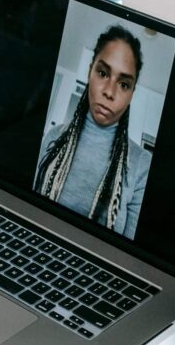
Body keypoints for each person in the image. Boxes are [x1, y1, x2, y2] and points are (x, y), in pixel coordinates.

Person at [34, 25, 152, 240]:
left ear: (132, 94)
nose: (109, 91)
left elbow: (129, 255)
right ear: (90, 71)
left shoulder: (141, 165)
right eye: (103, 73)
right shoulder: (54, 138)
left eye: (124, 84)